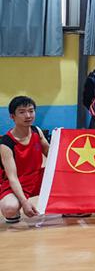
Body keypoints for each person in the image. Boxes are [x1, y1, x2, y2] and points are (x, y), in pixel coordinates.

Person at [0, 96, 49, 224]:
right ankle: (15, 205)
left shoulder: (37, 131)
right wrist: (24, 202)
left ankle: (69, 208)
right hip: (17, 182)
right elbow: (12, 178)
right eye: (22, 112)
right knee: (9, 208)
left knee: (65, 179)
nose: (28, 115)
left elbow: (52, 156)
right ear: (12, 116)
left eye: (31, 111)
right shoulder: (6, 143)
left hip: (37, 178)